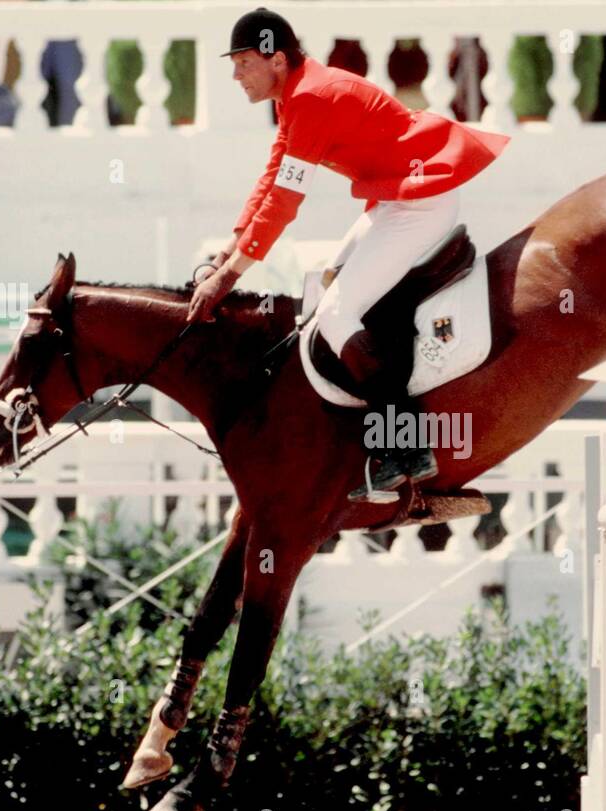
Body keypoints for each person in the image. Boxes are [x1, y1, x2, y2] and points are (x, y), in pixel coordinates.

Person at [185, 7, 510, 501]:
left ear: (275, 60)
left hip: (418, 205)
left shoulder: (311, 98)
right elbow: (272, 178)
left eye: (243, 62)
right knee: (325, 288)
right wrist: (227, 249)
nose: (235, 75)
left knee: (337, 313)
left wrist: (227, 277)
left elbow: (285, 203)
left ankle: (407, 448)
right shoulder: (296, 96)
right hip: (396, 201)